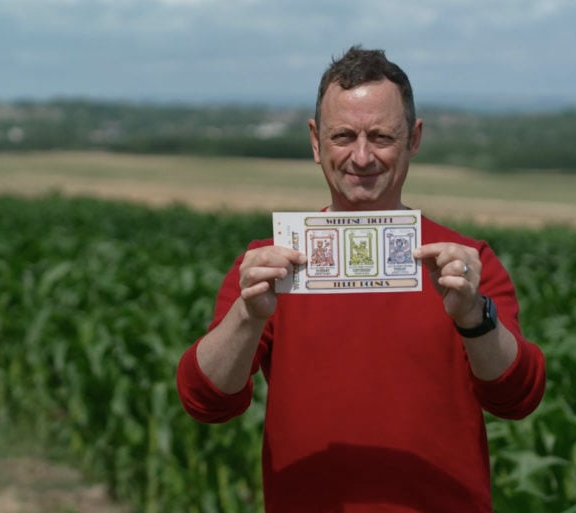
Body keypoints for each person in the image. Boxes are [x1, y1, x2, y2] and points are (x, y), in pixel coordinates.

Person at [177, 45, 546, 513]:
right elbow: (205, 400)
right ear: (315, 142)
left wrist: (475, 316)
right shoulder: (270, 264)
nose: (362, 156)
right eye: (343, 136)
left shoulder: (464, 263)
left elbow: (519, 396)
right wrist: (248, 316)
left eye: (382, 137)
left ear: (414, 139)